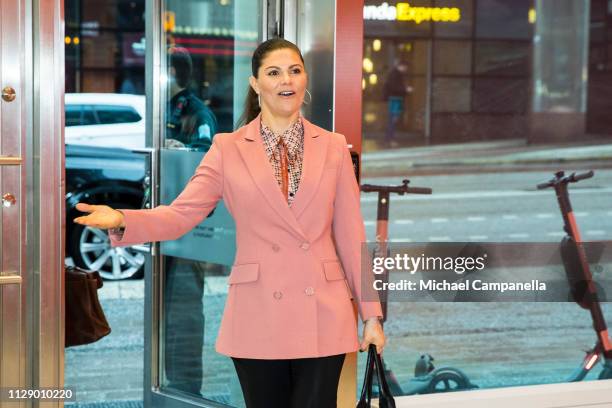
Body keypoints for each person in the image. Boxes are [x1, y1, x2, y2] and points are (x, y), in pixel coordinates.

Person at [74, 38, 386, 408]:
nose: (286, 80)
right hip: (258, 312)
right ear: (256, 84)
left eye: (294, 70)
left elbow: (352, 236)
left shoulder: (333, 147)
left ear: (304, 80)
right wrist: (124, 218)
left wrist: (371, 314)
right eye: (273, 72)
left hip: (322, 310)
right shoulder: (228, 148)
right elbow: (181, 214)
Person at [162, 46, 220, 395]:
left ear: (173, 73)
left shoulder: (197, 114)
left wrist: (178, 149)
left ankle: (186, 387)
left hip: (189, 229)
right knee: (168, 307)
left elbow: (205, 163)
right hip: (166, 223)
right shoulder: (165, 109)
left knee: (184, 307)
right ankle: (172, 381)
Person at [382, 58, 412, 148]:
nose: (406, 69)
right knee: (393, 119)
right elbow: (394, 88)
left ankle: (389, 139)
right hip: (395, 99)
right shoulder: (395, 75)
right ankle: (390, 139)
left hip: (395, 99)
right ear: (401, 66)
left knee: (393, 119)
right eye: (405, 67)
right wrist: (406, 89)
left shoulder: (395, 74)